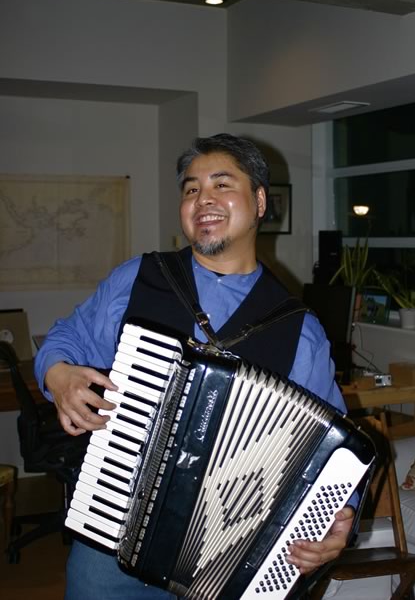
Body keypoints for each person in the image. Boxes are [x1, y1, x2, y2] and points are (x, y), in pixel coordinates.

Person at [35, 133, 355, 600]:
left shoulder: (299, 329)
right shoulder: (140, 279)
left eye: (222, 184)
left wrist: (333, 524)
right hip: (111, 539)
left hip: (229, 558)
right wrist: (57, 376)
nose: (203, 199)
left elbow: (334, 454)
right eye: (191, 189)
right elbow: (64, 340)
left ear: (260, 201)